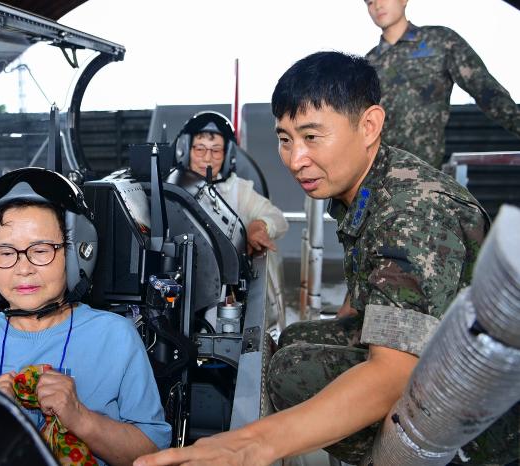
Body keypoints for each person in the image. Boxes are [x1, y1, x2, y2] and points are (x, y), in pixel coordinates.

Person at [133, 52, 520, 466]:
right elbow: (366, 289)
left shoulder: (412, 209)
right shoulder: (368, 183)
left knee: (292, 370)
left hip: (485, 420)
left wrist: (255, 442)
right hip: (443, 357)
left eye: (312, 137)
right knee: (295, 339)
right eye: (285, 140)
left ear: (369, 126)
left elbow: (394, 375)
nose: (296, 160)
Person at [0, 167, 171, 466]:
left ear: (77, 253)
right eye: (6, 252)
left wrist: (80, 418)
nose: (23, 268)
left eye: (41, 249)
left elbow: (152, 455)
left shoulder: (115, 337)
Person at [364, 0, 520, 169]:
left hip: (423, 175)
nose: (377, 5)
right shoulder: (369, 64)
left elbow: (487, 91)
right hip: (377, 173)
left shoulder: (440, 42)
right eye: (370, 2)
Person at [173, 111, 289, 328]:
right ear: (185, 149)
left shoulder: (238, 190)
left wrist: (258, 225)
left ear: (228, 156)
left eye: (216, 151)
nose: (207, 158)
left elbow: (279, 219)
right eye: (200, 149)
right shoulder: (171, 189)